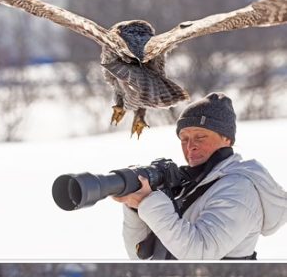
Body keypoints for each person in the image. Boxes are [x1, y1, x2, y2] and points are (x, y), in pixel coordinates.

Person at [113, 92, 287, 260]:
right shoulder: (193, 184)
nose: (190, 146)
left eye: (200, 136)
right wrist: (136, 209)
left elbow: (200, 253)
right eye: (184, 139)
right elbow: (140, 256)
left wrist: (150, 203)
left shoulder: (239, 189)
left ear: (227, 138)